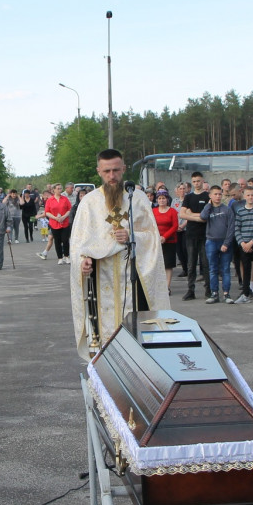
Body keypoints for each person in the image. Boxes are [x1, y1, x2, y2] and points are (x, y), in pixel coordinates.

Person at [70, 149, 170, 353]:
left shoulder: (137, 199)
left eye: (116, 170)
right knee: (104, 332)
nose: (112, 176)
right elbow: (79, 242)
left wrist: (132, 236)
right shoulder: (89, 202)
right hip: (102, 277)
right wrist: (83, 260)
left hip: (133, 277)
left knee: (137, 330)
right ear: (99, 171)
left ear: (123, 169)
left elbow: (152, 237)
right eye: (107, 171)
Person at [200, 185, 236, 303]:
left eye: (220, 194)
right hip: (211, 242)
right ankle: (214, 293)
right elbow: (203, 216)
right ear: (210, 196)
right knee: (213, 269)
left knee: (225, 269)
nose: (218, 196)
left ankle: (226, 294)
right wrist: (208, 205)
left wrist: (226, 243)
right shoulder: (208, 208)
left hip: (224, 242)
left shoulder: (227, 209)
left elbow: (231, 228)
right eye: (215, 194)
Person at [180, 171, 212, 301]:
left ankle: (208, 290)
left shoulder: (207, 196)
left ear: (202, 181)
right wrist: (198, 217)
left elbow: (207, 216)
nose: (196, 183)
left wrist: (191, 214)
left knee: (205, 263)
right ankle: (190, 290)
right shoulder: (188, 197)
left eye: (198, 181)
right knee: (191, 264)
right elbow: (181, 214)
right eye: (194, 181)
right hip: (191, 235)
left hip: (205, 235)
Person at [152, 190, 179, 292]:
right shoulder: (153, 211)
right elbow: (151, 224)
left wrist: (165, 237)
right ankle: (158, 286)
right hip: (156, 241)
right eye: (159, 198)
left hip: (170, 241)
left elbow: (175, 226)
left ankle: (167, 287)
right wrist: (158, 237)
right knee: (157, 264)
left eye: (163, 198)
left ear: (167, 199)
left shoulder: (172, 211)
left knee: (168, 264)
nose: (162, 200)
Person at [43, 184, 73, 264]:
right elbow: (47, 212)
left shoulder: (65, 199)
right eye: (58, 189)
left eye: (61, 188)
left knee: (65, 240)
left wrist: (64, 216)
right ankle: (60, 257)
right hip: (54, 223)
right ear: (54, 190)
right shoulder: (50, 200)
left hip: (65, 222)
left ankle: (66, 256)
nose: (60, 190)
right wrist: (55, 218)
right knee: (57, 241)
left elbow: (69, 209)